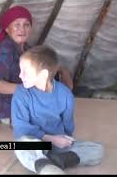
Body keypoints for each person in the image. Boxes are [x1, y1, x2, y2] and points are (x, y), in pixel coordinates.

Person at [11, 45, 103, 174]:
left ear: (43, 74)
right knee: (22, 144)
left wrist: (65, 140)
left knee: (97, 150)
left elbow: (68, 124)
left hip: (57, 144)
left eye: (25, 71)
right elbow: (21, 127)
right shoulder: (21, 93)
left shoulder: (65, 94)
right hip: (35, 142)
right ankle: (47, 168)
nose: (20, 75)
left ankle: (54, 162)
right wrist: (51, 139)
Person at [0, 6, 73, 125]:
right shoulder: (3, 51)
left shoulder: (27, 49)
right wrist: (30, 90)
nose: (22, 29)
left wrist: (62, 70)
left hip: (23, 100)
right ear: (7, 28)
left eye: (26, 24)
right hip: (3, 106)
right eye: (17, 25)